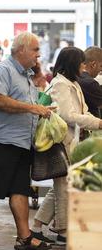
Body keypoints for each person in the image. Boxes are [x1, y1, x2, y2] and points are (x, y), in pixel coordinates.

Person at [0, 32, 54, 250]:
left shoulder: (27, 75)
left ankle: (23, 237)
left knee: (20, 190)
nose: (38, 54)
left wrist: (42, 108)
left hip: (24, 143)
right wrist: (32, 108)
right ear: (22, 50)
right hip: (3, 141)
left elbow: (29, 103)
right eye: (35, 50)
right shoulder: (2, 70)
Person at [32, 47, 102, 245]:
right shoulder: (61, 85)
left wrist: (95, 121)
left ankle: (36, 227)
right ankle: (62, 231)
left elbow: (84, 110)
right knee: (63, 188)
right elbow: (67, 115)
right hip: (62, 142)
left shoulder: (73, 84)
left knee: (60, 186)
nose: (84, 66)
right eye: (81, 63)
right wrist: (97, 123)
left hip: (72, 142)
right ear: (72, 64)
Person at [78, 46, 102, 119]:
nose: (101, 70)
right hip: (91, 125)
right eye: (101, 66)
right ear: (93, 64)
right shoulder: (90, 83)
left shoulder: (76, 77)